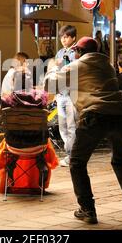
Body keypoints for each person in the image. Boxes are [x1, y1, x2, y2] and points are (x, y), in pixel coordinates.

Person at [46, 37, 122, 224]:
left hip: (96, 115)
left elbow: (50, 85)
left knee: (77, 162)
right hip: (120, 116)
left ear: (79, 52)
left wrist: (53, 67)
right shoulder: (108, 65)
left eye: (75, 51)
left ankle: (87, 209)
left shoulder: (79, 66)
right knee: (121, 160)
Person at [54, 25, 78, 167]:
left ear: (73, 38)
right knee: (62, 126)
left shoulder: (76, 53)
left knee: (71, 125)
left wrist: (63, 66)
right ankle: (70, 152)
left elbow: (73, 70)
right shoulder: (60, 52)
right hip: (60, 93)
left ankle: (72, 155)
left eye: (66, 36)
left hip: (71, 93)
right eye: (62, 37)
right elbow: (55, 69)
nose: (63, 39)